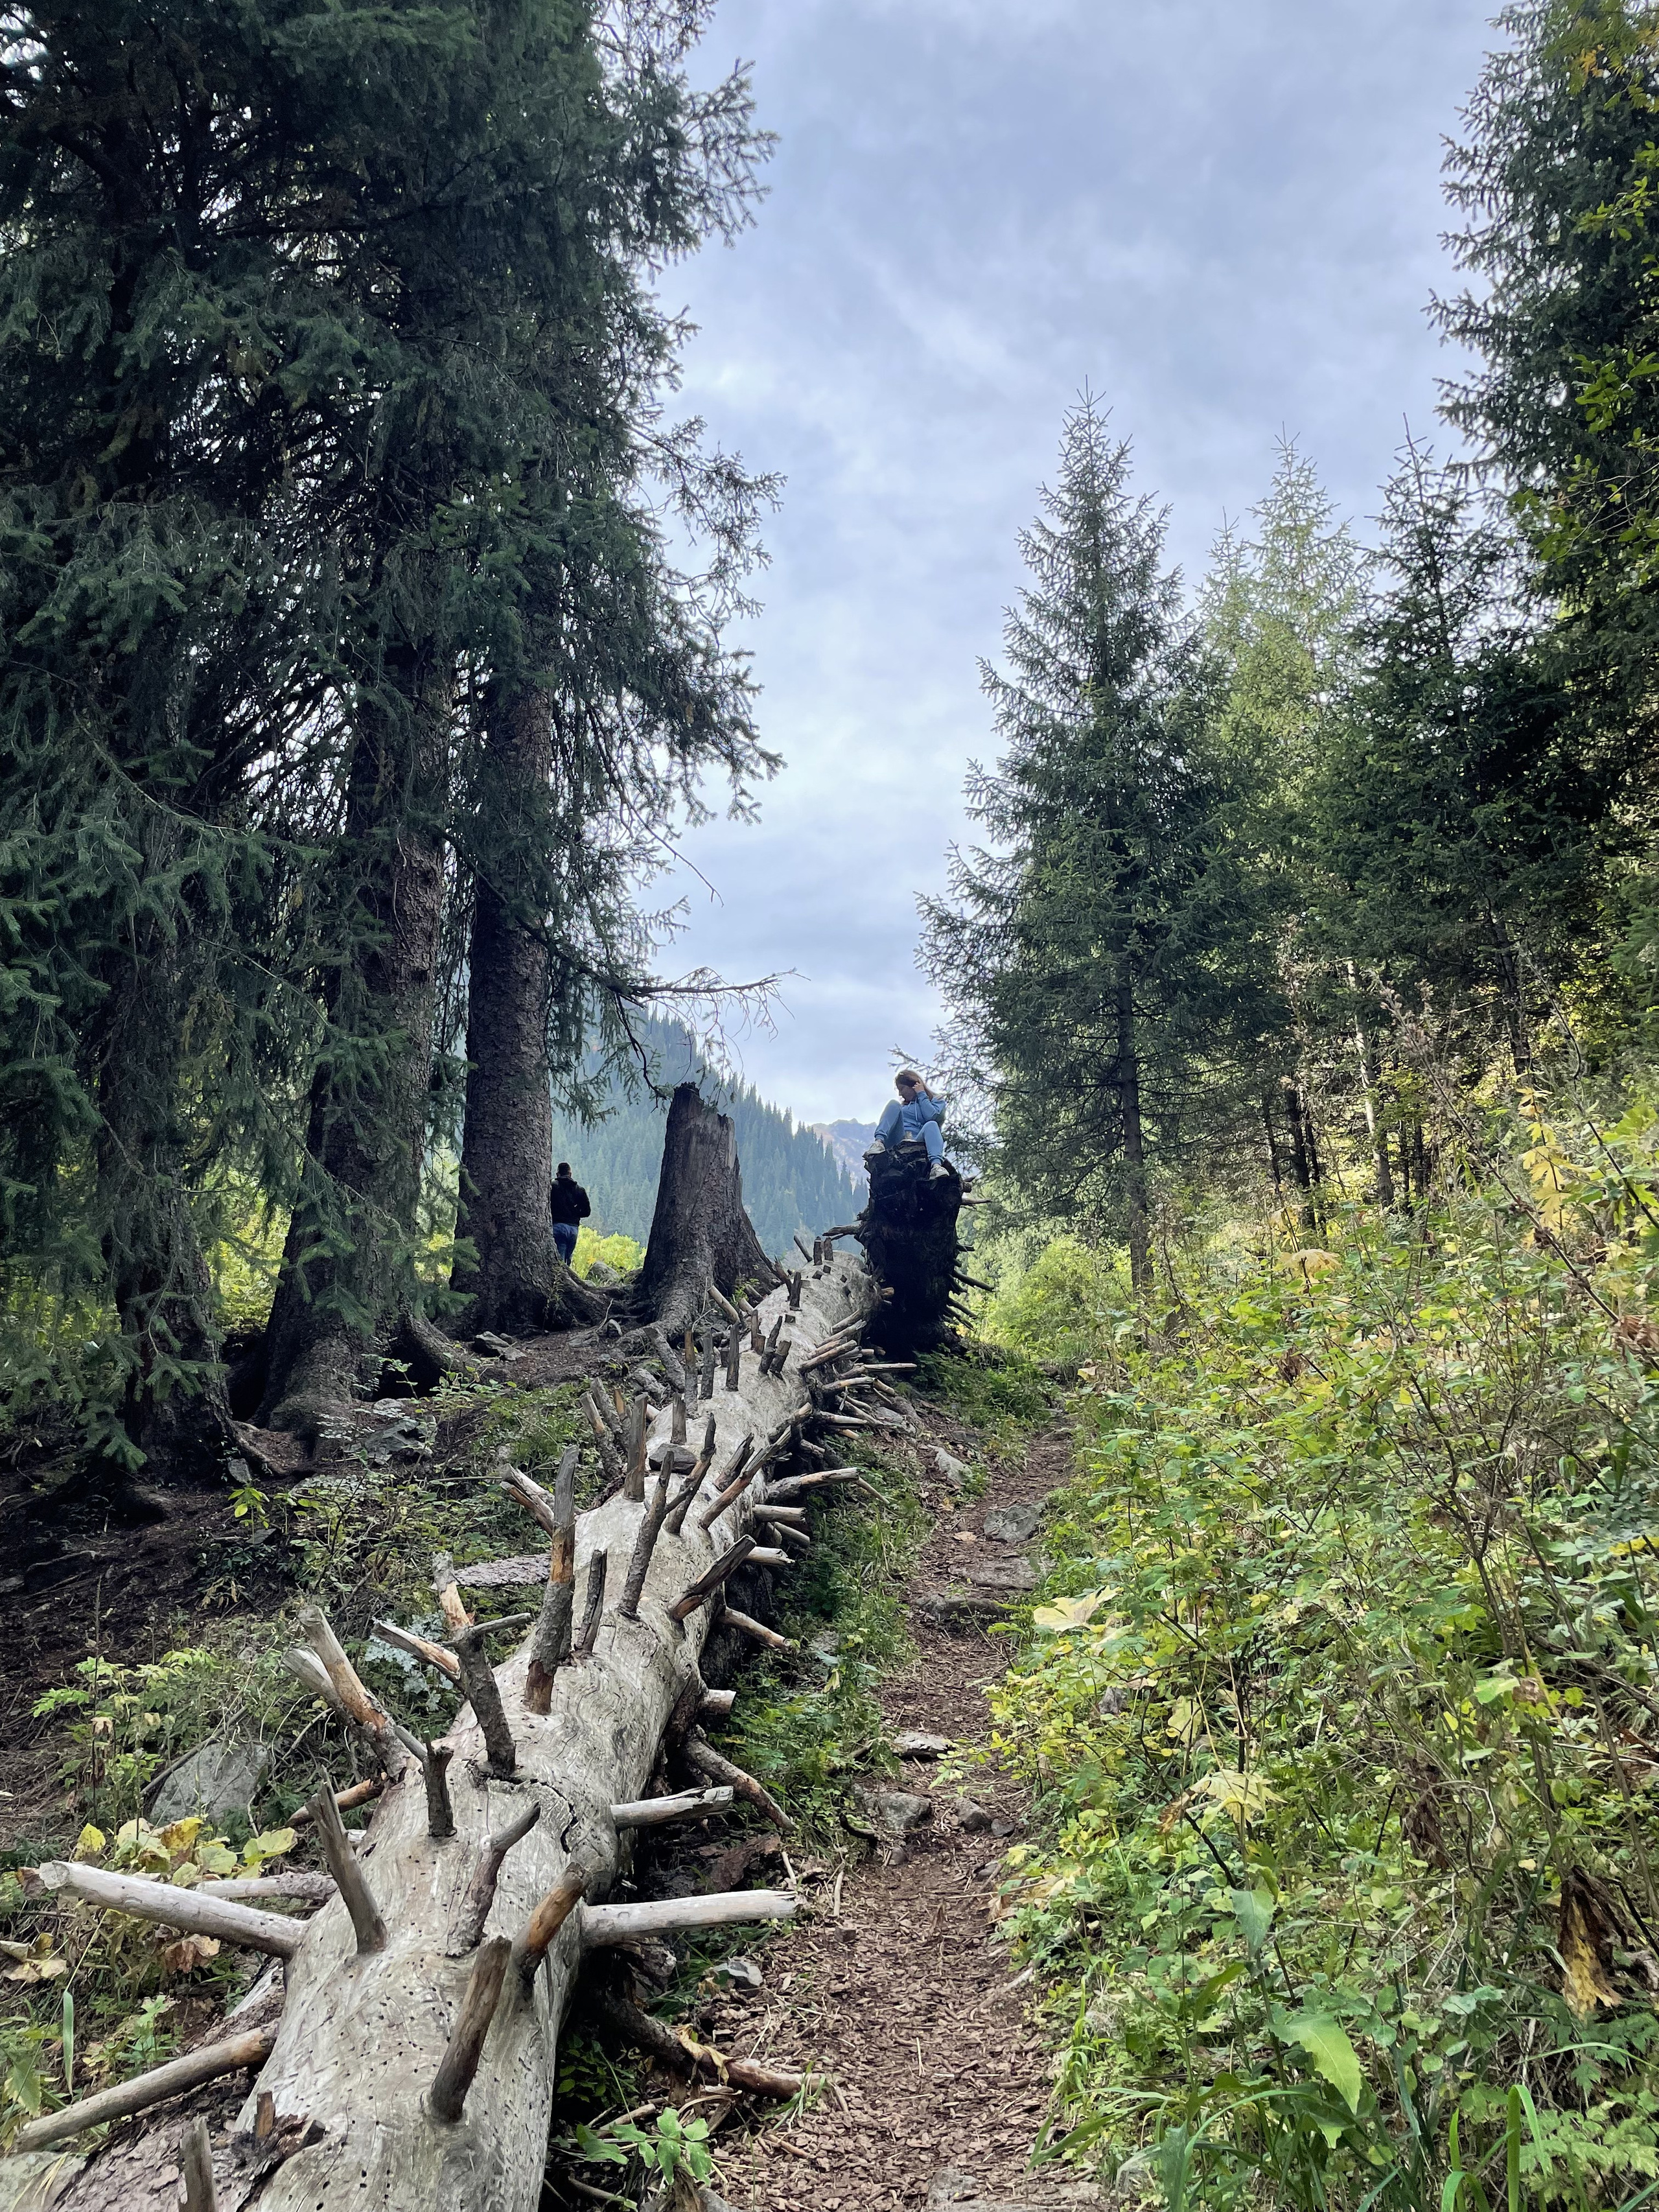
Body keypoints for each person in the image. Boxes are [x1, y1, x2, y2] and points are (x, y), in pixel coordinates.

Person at [866, 1069, 951, 1180]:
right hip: (898, 1141)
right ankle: (878, 1143)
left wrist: (921, 1094)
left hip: (919, 1140)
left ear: (914, 1085)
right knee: (893, 1104)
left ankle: (936, 1167)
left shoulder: (936, 1100)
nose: (900, 1094)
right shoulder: (902, 1107)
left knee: (932, 1124)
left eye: (902, 1089)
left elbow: (932, 1116)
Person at [549, 1161, 592, 1266]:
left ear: (558, 1174)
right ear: (570, 1174)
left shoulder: (552, 1187)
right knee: (568, 1261)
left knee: (559, 1262)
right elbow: (587, 1212)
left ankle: (560, 1275)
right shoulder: (580, 1190)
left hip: (558, 1227)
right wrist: (575, 1213)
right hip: (573, 1229)